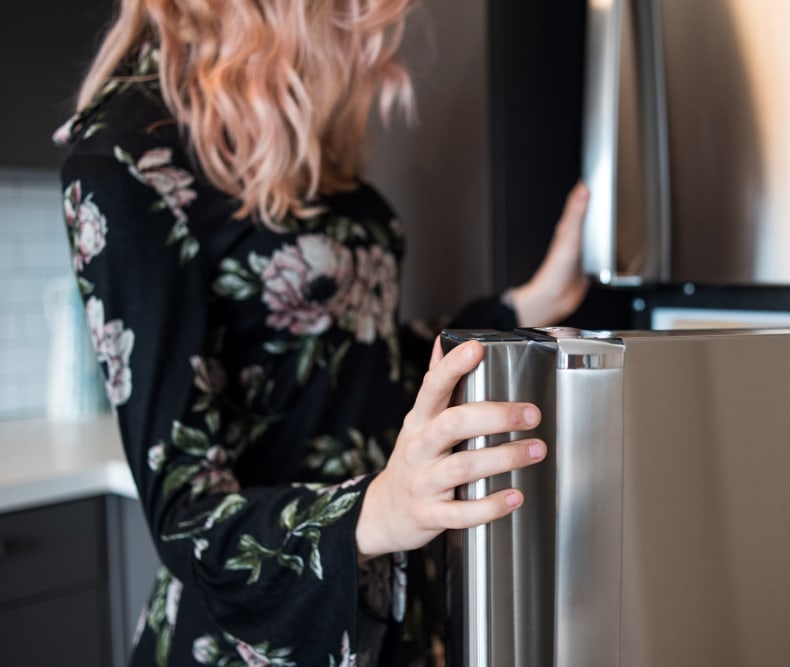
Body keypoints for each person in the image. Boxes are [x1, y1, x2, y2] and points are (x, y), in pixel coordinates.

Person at [54, 1, 589, 665]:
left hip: (389, 601)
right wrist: (380, 508)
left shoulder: (270, 123)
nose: (370, 50)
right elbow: (185, 513)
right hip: (259, 638)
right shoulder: (122, 159)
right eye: (345, 12)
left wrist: (520, 307)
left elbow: (348, 357)